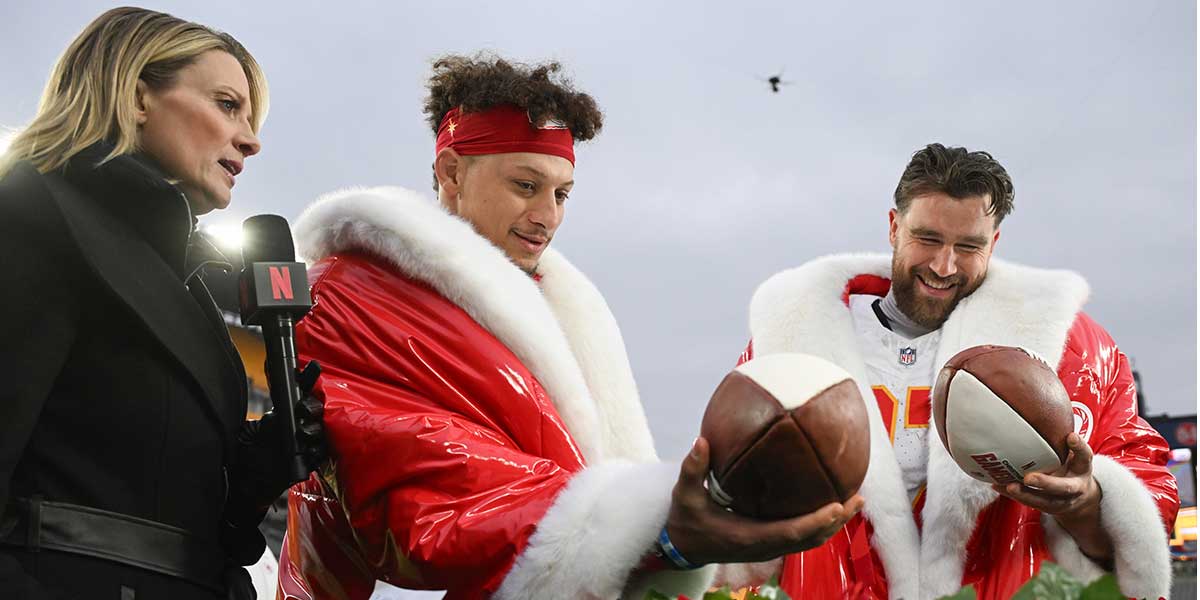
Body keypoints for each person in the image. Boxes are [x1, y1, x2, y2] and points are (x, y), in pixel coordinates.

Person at [276, 54, 862, 600]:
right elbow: (425, 493)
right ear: (452, 173)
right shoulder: (349, 297)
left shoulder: (559, 301)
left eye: (562, 193)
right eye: (525, 186)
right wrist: (660, 525)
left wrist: (714, 519)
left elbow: (588, 478)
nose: (547, 217)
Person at [731, 143, 1179, 600]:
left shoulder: (1072, 350)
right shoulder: (791, 340)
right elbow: (727, 508)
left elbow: (1145, 503)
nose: (944, 266)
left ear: (994, 244)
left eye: (968, 246)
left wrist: (1086, 503)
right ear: (893, 227)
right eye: (927, 239)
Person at [0, 7, 323, 599]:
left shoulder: (192, 287)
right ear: (138, 96)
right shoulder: (31, 217)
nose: (251, 140)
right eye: (228, 105)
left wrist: (253, 477)